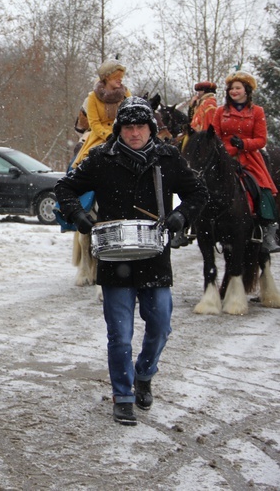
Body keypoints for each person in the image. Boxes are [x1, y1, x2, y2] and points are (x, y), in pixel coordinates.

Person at [54, 97, 208, 426]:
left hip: (154, 258)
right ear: (119, 129)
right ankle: (122, 394)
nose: (134, 132)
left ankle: (145, 373)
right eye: (128, 126)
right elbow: (65, 187)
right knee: (120, 335)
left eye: (140, 126)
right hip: (114, 260)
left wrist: (181, 216)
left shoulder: (168, 158)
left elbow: (199, 192)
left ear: (150, 128)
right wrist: (79, 215)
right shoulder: (101, 158)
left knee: (160, 326)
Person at [211, 70, 280, 253]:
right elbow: (214, 136)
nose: (234, 91)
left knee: (262, 188)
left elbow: (261, 139)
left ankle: (267, 229)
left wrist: (244, 143)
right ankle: (197, 226)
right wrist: (225, 148)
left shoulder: (257, 111)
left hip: (248, 156)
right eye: (231, 88)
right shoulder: (220, 112)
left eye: (238, 88)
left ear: (246, 90)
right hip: (224, 156)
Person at [71, 59, 131, 168]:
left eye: (121, 76)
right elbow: (94, 123)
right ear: (107, 77)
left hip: (123, 134)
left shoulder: (126, 94)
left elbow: (131, 115)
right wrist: (108, 135)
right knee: (82, 163)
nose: (120, 79)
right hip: (100, 136)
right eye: (117, 76)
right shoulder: (92, 97)